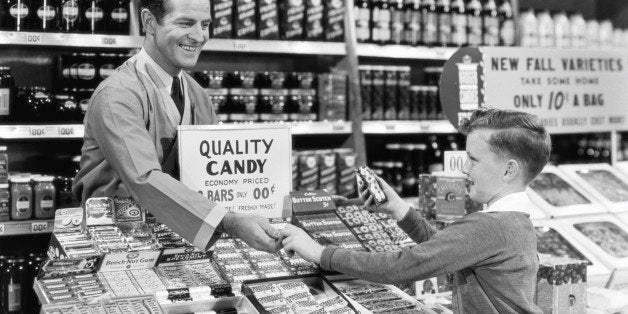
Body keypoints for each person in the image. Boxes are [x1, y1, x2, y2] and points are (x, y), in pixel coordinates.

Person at [280, 108, 550, 313]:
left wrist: (319, 252)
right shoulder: (515, 220)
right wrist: (399, 209)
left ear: (509, 169)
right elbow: (443, 251)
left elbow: (402, 266)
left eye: (473, 159)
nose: (464, 168)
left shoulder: (490, 226)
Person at [73, 0, 281, 253]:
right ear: (149, 22)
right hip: (117, 241)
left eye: (205, 25)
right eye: (185, 23)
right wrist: (228, 221)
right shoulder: (117, 95)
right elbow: (144, 178)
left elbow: (219, 174)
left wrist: (295, 205)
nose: (199, 36)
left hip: (178, 240)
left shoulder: (197, 93)